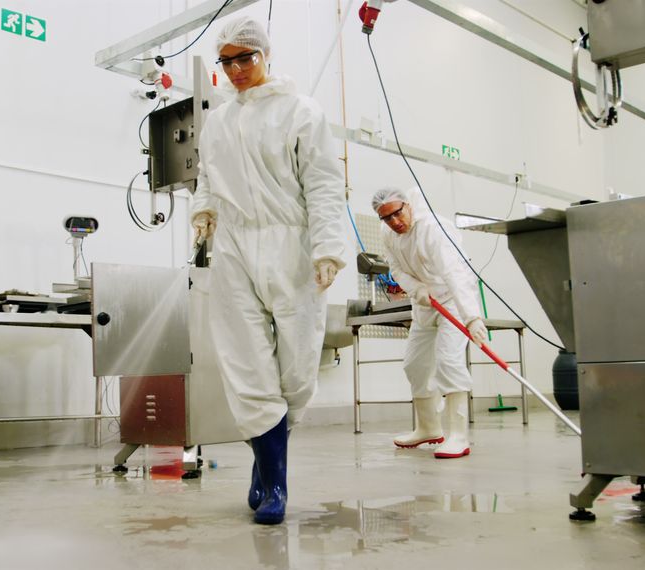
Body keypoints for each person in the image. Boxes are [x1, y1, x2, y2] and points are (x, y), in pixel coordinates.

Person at [190, 17, 346, 525]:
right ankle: (275, 481)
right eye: (227, 61)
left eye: (245, 58)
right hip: (234, 246)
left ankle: (265, 461)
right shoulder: (218, 121)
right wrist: (204, 210)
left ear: (265, 56)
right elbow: (208, 177)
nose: (236, 69)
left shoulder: (301, 112)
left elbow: (323, 184)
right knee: (245, 363)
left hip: (290, 244)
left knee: (296, 369)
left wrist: (327, 248)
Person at [372, 187, 488, 459]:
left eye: (397, 213)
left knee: (449, 361)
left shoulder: (433, 230)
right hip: (425, 303)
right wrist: (416, 289)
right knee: (415, 364)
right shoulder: (388, 233)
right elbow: (396, 268)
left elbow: (455, 274)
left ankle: (458, 435)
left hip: (452, 300)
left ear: (408, 205)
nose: (394, 222)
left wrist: (472, 317)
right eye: (386, 218)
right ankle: (428, 427)